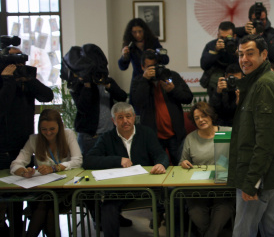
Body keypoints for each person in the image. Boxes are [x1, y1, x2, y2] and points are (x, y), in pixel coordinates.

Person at [227, 34, 274, 237]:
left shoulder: (264, 85)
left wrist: (251, 182)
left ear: (264, 54)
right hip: (270, 173)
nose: (244, 59)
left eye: (250, 54)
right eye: (241, 54)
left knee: (243, 230)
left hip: (259, 175)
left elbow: (265, 141)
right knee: (270, 226)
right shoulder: (262, 81)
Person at [83, 102, 169, 237]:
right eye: (120, 118)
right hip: (118, 188)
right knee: (108, 208)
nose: (125, 121)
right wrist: (118, 160)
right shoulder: (106, 137)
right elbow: (88, 160)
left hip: (144, 187)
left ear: (134, 117)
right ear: (113, 120)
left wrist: (161, 164)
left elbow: (160, 154)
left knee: (171, 193)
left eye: (128, 116)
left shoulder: (146, 133)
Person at [0, 50, 54, 236]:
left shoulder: (24, 80)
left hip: (22, 146)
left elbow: (47, 96)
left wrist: (29, 79)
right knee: (4, 199)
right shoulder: (3, 82)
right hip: (2, 149)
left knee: (21, 198)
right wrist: (6, 80)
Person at [10, 109, 82, 237]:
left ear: (60, 126)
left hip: (65, 189)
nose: (48, 133)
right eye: (44, 129)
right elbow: (16, 164)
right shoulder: (34, 139)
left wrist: (55, 168)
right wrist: (24, 172)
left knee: (45, 205)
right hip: (42, 189)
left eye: (52, 129)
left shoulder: (68, 134)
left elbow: (77, 160)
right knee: (46, 205)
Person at [179, 102, 234, 237]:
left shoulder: (227, 132)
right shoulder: (191, 138)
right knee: (196, 213)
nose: (201, 120)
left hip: (223, 185)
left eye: (203, 115)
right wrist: (184, 163)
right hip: (198, 188)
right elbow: (182, 161)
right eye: (196, 118)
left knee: (224, 209)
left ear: (211, 116)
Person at [131, 50, 193, 166]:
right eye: (149, 67)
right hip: (152, 137)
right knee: (156, 168)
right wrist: (145, 80)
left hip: (176, 135)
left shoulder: (171, 76)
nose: (153, 70)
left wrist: (173, 90)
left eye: (155, 66)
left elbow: (188, 98)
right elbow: (137, 103)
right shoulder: (139, 81)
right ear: (142, 67)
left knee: (180, 166)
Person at [118, 18, 166, 102]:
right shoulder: (129, 45)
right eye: (134, 32)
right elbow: (122, 67)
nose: (137, 35)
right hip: (138, 81)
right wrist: (124, 56)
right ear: (130, 33)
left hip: (154, 79)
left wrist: (156, 54)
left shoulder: (153, 42)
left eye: (140, 31)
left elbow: (166, 60)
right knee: (138, 107)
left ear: (144, 31)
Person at [200, 21, 238, 98]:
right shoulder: (211, 45)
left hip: (235, 83)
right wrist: (216, 51)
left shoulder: (240, 45)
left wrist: (237, 53)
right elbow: (204, 65)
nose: (224, 41)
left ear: (234, 36)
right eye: (221, 38)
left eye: (227, 38)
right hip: (215, 86)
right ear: (217, 35)